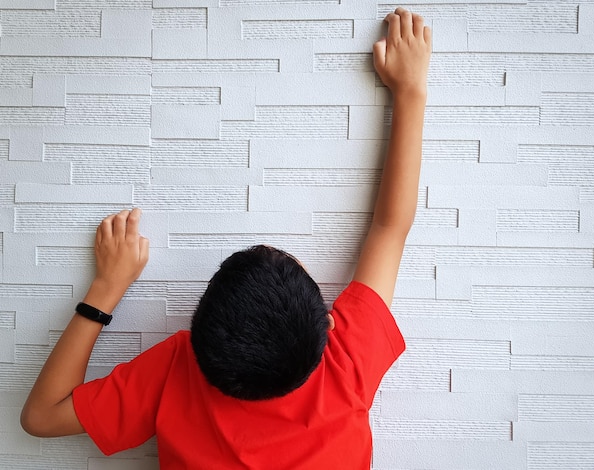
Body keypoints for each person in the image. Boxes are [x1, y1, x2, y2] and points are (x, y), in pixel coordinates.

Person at [21, 8, 431, 469]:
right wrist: (411, 91)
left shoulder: (177, 369)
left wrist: (106, 288)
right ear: (328, 326)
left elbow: (41, 416)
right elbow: (390, 228)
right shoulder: (345, 363)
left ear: (196, 334)